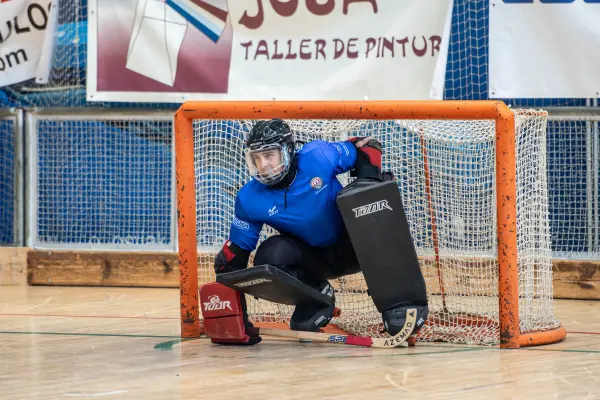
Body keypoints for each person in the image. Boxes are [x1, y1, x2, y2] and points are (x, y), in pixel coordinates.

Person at [212, 118, 384, 335]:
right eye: (256, 158)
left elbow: (366, 146)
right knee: (268, 257)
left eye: (269, 155)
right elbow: (235, 256)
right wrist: (237, 320)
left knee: (374, 204)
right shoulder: (249, 198)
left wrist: (367, 184)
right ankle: (316, 298)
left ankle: (400, 300)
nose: (263, 165)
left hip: (357, 247)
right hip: (313, 260)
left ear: (288, 151)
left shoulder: (318, 155)